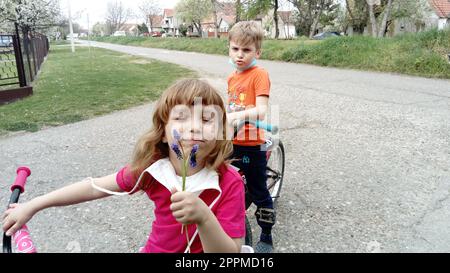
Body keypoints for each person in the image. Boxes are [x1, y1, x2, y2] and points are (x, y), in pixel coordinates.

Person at [2, 79, 246, 253]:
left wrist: (204, 217)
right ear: (162, 133)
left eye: (206, 119)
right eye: (181, 117)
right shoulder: (152, 170)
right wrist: (33, 205)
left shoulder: (228, 183)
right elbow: (94, 187)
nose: (194, 127)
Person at [226, 21, 275, 253]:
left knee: (259, 191)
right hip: (231, 139)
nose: (240, 55)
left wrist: (237, 115)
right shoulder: (231, 78)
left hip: (251, 142)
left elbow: (261, 110)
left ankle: (266, 235)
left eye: (246, 50)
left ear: (257, 52)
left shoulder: (259, 74)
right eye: (235, 49)